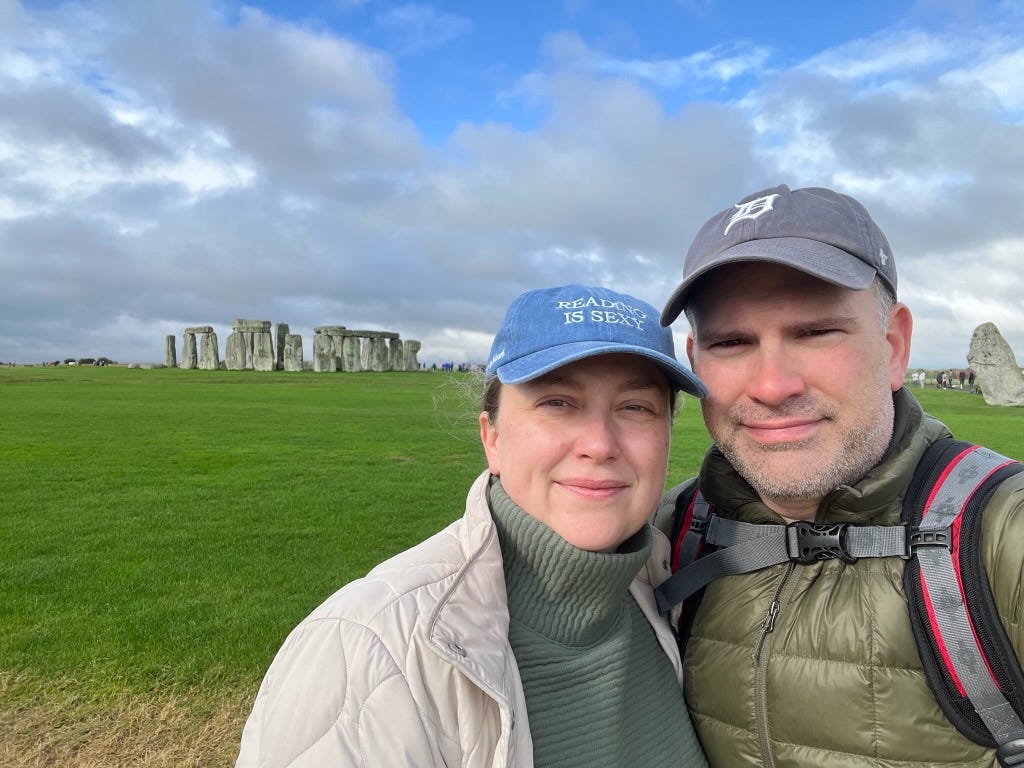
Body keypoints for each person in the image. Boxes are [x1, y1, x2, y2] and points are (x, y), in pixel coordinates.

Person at [236, 284, 709, 768]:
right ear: (492, 438)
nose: (599, 444)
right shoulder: (365, 654)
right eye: (557, 402)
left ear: (668, 436)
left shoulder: (671, 580)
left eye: (635, 407)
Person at [656, 184, 1024, 768]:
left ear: (894, 345)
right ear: (695, 361)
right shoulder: (668, 533)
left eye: (815, 332)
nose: (773, 385)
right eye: (732, 342)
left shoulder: (1003, 535)